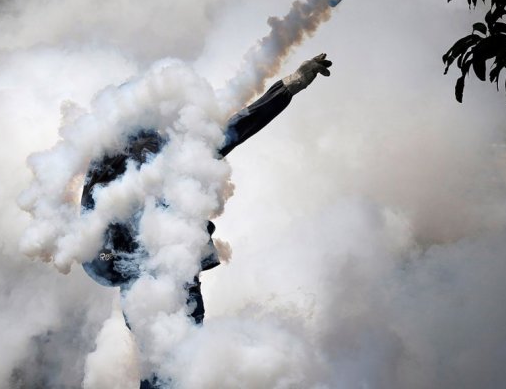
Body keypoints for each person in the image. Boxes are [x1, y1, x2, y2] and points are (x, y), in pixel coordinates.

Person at [80, 54, 332, 388]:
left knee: (178, 369)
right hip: (147, 288)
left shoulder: (164, 148)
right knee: (169, 371)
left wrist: (289, 86)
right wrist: (126, 266)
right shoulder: (109, 165)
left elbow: (237, 128)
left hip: (177, 279)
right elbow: (89, 242)